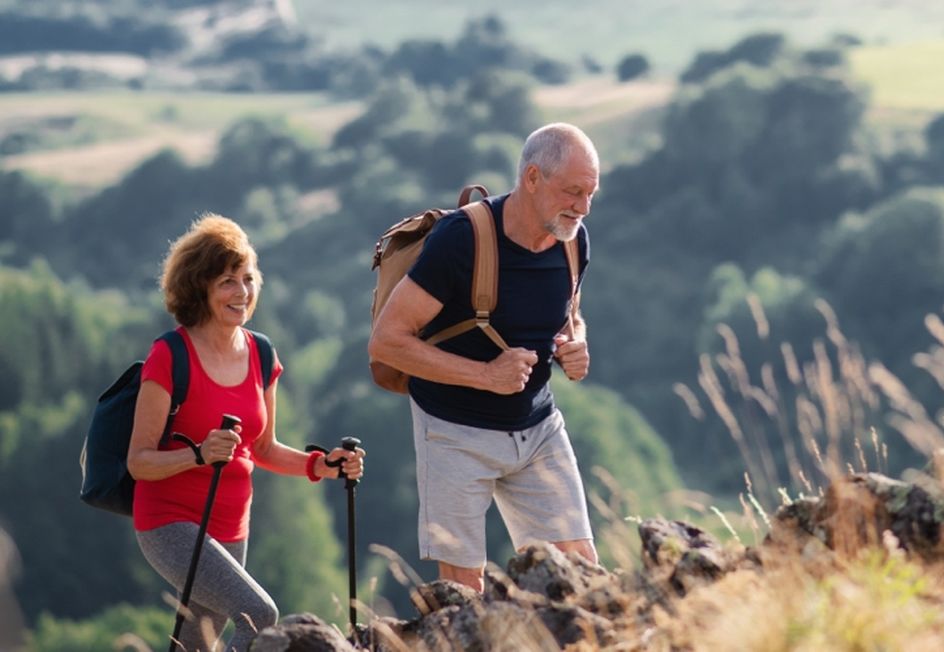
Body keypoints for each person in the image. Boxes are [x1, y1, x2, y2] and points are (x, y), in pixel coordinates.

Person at [368, 122, 600, 591]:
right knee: (462, 595)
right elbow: (386, 341)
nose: (583, 206)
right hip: (453, 432)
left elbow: (566, 311)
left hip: (537, 430)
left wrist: (575, 342)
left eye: (591, 193)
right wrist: (485, 375)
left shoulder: (574, 239)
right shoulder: (461, 241)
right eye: (573, 191)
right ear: (532, 178)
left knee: (582, 578)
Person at [127, 214, 365, 651]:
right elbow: (139, 461)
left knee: (195, 644)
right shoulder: (170, 356)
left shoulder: (261, 352)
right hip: (170, 522)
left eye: (248, 279)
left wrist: (323, 465)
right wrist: (197, 454)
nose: (242, 293)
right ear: (200, 287)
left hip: (232, 525)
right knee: (259, 614)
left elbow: (263, 448)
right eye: (227, 282)